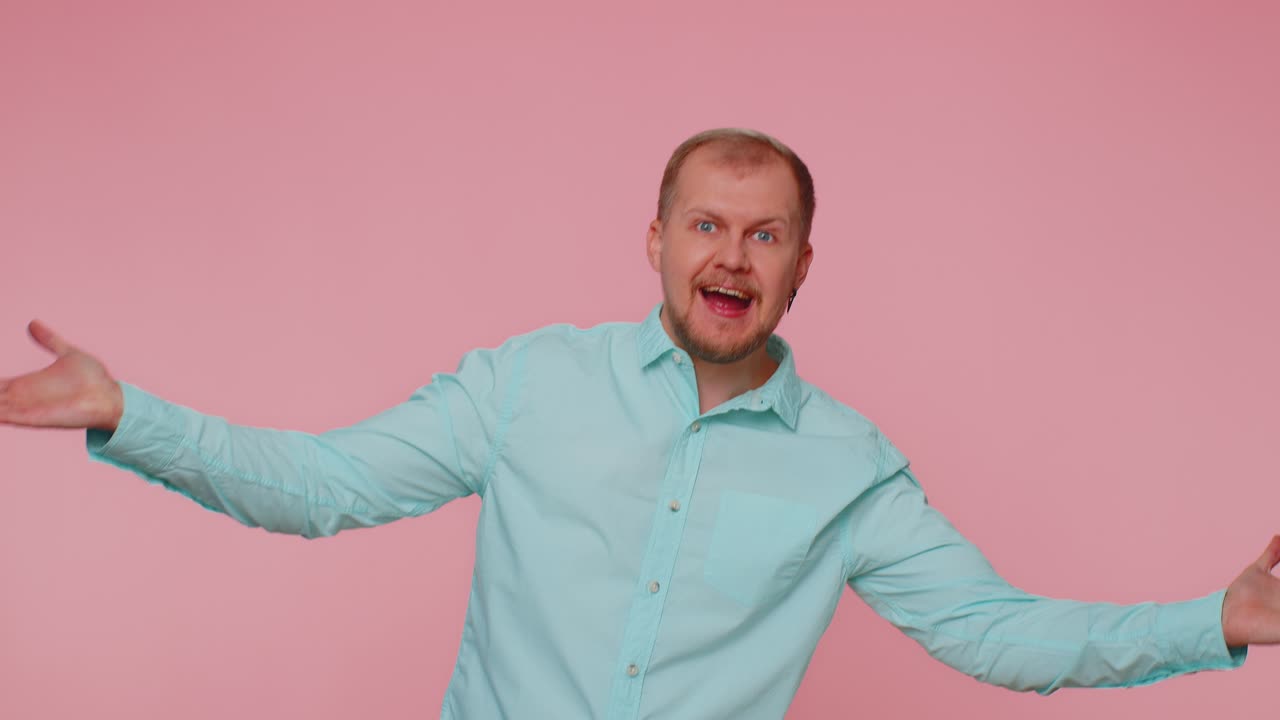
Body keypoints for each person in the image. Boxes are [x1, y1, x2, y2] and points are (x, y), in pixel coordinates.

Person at [1, 128, 1276, 719]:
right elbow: (325, 485)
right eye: (706, 226)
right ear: (656, 242)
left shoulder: (853, 471)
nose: (732, 255)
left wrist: (1209, 622)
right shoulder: (526, 386)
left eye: (764, 233)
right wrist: (135, 416)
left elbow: (996, 636)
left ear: (802, 264)